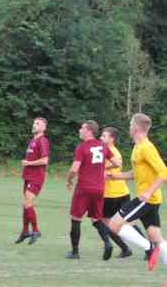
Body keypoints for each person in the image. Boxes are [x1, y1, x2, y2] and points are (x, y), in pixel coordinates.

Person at [107, 113, 167, 271]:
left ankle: (149, 248)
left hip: (147, 199)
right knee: (157, 237)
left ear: (135, 127)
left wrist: (148, 192)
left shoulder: (146, 148)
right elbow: (135, 173)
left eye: (130, 125)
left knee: (114, 224)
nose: (129, 128)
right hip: (150, 199)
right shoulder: (138, 147)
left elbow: (164, 172)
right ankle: (152, 245)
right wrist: (115, 176)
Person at [65, 120, 119, 260]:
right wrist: (102, 168)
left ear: (89, 131)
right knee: (96, 218)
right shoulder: (103, 146)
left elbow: (74, 169)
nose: (79, 130)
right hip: (99, 188)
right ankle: (107, 243)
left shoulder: (82, 147)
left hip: (84, 187)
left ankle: (75, 252)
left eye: (82, 128)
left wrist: (69, 180)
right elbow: (117, 163)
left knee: (76, 218)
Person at [101, 126, 135, 258]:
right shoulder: (104, 151)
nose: (101, 138)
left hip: (114, 194)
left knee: (108, 225)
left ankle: (146, 247)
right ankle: (129, 249)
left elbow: (118, 164)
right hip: (114, 193)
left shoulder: (112, 152)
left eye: (104, 136)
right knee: (115, 224)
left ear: (112, 139)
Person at [16, 118, 49, 245]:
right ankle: (25, 231)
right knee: (26, 204)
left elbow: (45, 160)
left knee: (28, 202)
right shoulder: (32, 141)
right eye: (34, 123)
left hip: (36, 177)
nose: (34, 125)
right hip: (28, 177)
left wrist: (28, 163)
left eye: (38, 124)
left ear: (44, 128)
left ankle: (35, 230)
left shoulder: (43, 141)